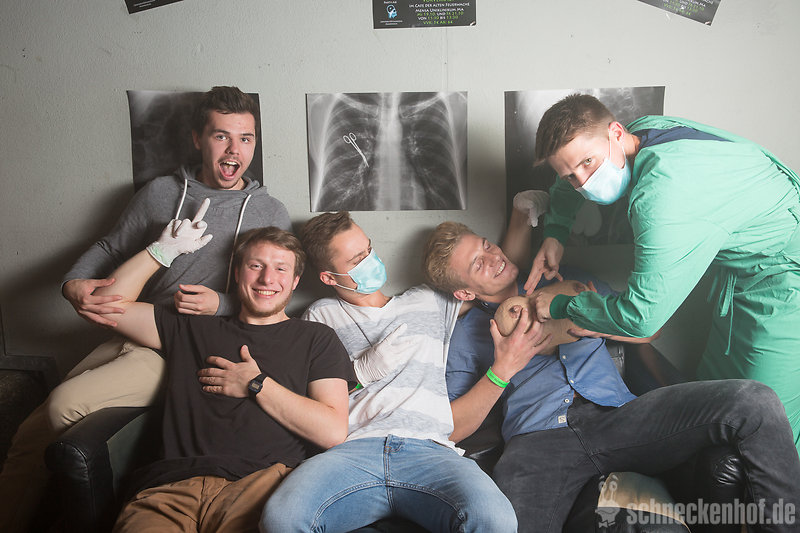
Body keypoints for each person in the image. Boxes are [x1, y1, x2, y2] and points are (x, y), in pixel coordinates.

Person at [0, 86, 291, 532]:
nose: (235, 150)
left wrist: (221, 302)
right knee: (29, 435)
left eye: (246, 138)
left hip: (176, 349)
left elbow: (276, 292)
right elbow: (109, 246)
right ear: (198, 138)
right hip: (127, 327)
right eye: (222, 136)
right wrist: (73, 283)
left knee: (64, 407)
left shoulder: (269, 211)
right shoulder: (160, 192)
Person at [422, 219, 800, 533]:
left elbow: (648, 330)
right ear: (465, 292)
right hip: (537, 443)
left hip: (619, 416)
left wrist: (596, 321)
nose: (494, 257)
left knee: (755, 401)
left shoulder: (568, 280)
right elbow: (451, 429)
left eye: (487, 245)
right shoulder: (466, 336)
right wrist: (502, 370)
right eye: (478, 264)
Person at [524, 93, 800, 453]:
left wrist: (563, 307)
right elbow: (569, 177)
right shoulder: (642, 133)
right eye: (571, 175)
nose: (584, 183)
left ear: (615, 133)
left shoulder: (661, 198)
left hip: (785, 284)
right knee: (717, 399)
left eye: (588, 164)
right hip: (739, 281)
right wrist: (556, 232)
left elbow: (642, 319)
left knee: (767, 426)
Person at [92, 207, 352, 532]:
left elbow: (332, 432)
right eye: (256, 266)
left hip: (261, 487)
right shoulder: (192, 327)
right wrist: (161, 252)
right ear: (238, 273)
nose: (267, 279)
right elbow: (103, 305)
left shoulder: (316, 338)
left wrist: (257, 384)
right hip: (171, 488)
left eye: (281, 268)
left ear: (295, 281)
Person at [260, 211, 517, 533]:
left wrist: (529, 220)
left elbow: (496, 280)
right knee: (281, 518)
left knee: (496, 519)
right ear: (329, 277)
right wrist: (359, 374)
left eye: (368, 249)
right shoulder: (320, 317)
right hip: (353, 453)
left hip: (430, 451)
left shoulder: (429, 299)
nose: (371, 261)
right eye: (358, 260)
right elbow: (303, 396)